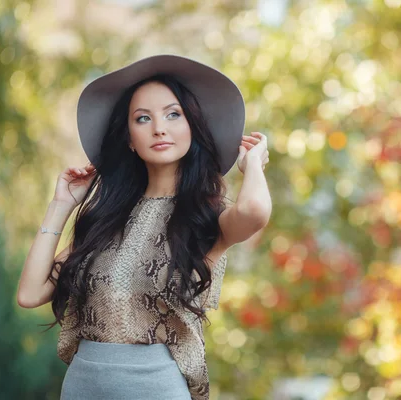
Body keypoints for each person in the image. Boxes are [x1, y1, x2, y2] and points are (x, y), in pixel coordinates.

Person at [16, 54, 272, 400]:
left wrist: (253, 164)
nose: (159, 128)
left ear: (191, 128)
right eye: (142, 118)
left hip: (155, 388)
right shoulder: (106, 219)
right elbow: (30, 294)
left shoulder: (205, 217)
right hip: (82, 387)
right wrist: (61, 206)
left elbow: (255, 210)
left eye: (173, 114)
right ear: (130, 140)